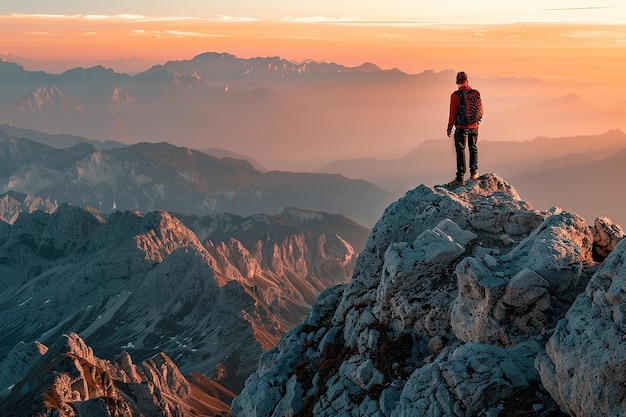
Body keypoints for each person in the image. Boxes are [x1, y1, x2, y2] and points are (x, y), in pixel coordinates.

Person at [446, 71, 479, 186]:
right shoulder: (474, 93)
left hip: (461, 127)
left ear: (457, 82)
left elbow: (453, 113)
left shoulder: (455, 95)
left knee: (461, 150)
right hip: (474, 126)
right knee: (473, 147)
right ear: (467, 81)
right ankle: (474, 173)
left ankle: (460, 178)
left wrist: (449, 128)